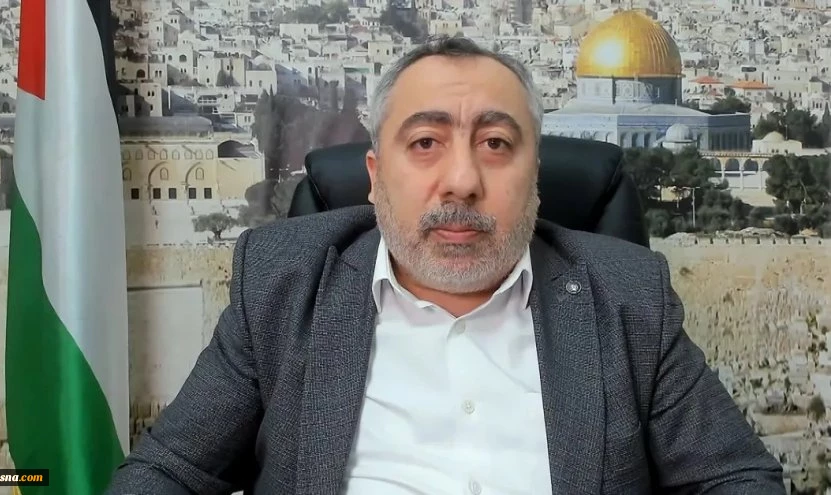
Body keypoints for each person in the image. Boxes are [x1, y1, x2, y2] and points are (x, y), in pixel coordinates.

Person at [106, 36, 785, 495]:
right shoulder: (284, 284)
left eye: (495, 144)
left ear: (535, 175)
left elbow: (737, 478)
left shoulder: (626, 297)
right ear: (375, 176)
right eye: (426, 142)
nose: (461, 180)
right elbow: (166, 473)